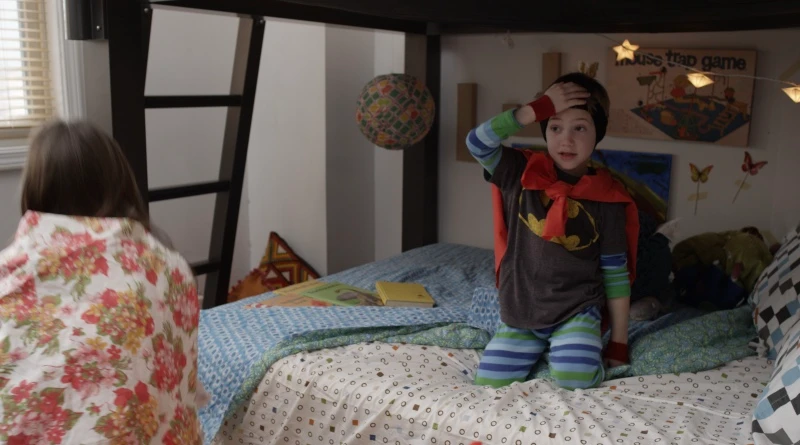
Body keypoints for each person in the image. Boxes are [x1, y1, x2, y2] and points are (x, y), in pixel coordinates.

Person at [0, 120, 203, 443]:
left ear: (35, 188)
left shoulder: (8, 275)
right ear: (119, 182)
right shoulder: (170, 269)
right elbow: (179, 389)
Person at [466, 72, 639, 390]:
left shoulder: (608, 196)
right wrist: (535, 109)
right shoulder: (519, 171)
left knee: (575, 378)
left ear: (597, 133)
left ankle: (569, 347)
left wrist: (618, 342)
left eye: (580, 128)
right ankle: (543, 347)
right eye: (555, 127)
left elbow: (615, 274)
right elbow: (476, 142)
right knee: (489, 384)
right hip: (521, 310)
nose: (566, 140)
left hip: (576, 309)